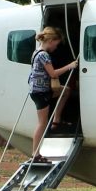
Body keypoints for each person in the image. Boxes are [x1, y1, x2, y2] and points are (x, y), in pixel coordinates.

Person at [27, 27, 78, 160]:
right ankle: (35, 154)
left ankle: (56, 120)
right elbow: (53, 73)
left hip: (39, 89)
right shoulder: (44, 55)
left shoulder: (36, 52)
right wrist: (70, 66)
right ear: (50, 41)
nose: (56, 46)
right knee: (42, 123)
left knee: (65, 91)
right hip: (41, 92)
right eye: (56, 43)